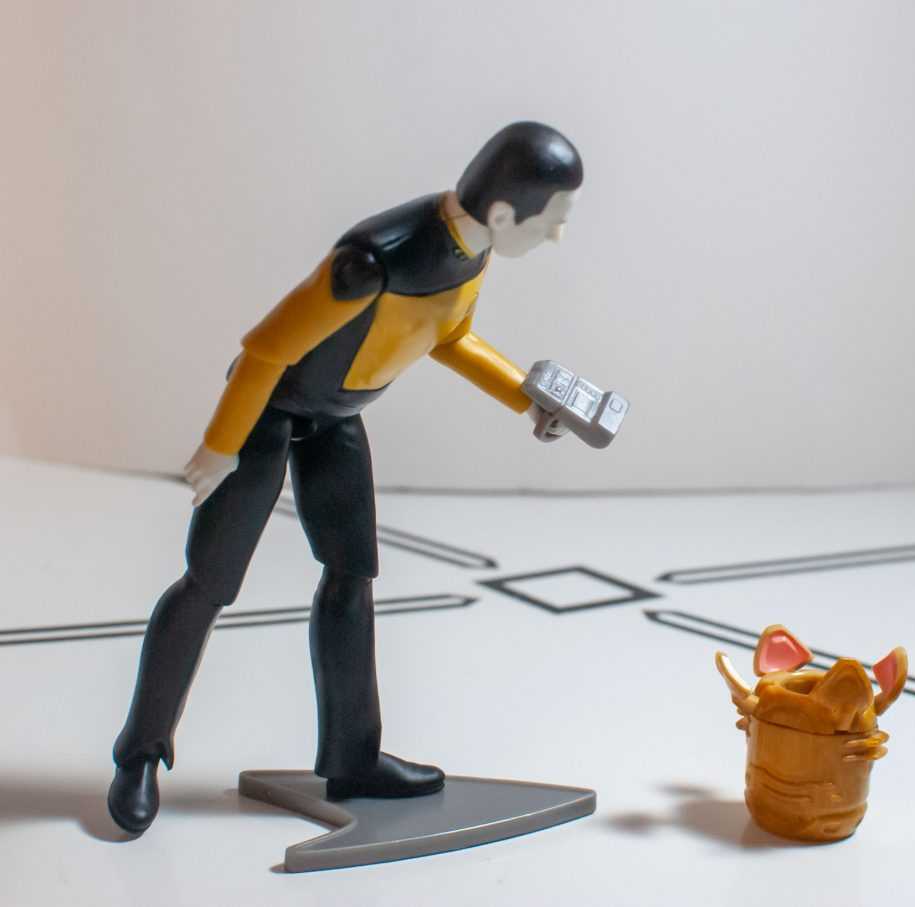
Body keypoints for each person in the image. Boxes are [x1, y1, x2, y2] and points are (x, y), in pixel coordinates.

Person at [108, 122, 584, 834]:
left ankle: (352, 757)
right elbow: (266, 351)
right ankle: (140, 752)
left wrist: (526, 397)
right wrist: (220, 445)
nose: (557, 238)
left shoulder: (474, 250)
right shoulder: (371, 260)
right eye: (551, 222)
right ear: (504, 212)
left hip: (336, 417)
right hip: (265, 413)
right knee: (209, 582)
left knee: (351, 575)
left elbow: (449, 336)